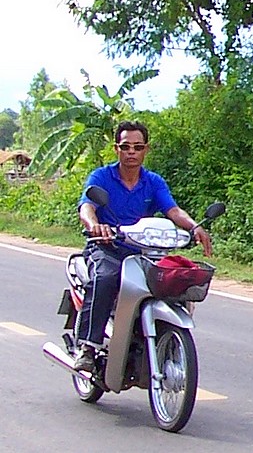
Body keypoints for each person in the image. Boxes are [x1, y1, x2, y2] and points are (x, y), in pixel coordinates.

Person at [73, 120, 213, 373]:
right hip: (108, 248)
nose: (131, 152)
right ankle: (88, 346)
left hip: (145, 252)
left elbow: (172, 209)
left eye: (137, 147)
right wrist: (95, 225)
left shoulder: (152, 181)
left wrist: (194, 227)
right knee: (106, 277)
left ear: (146, 150)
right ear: (117, 148)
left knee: (174, 280)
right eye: (126, 147)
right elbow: (87, 207)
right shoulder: (101, 177)